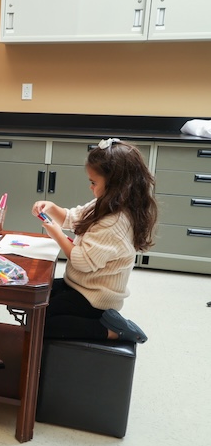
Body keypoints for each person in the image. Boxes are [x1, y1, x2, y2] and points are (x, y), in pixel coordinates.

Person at [31, 138, 157, 343]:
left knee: (43, 323)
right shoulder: (104, 203)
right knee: (37, 300)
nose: (90, 187)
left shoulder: (115, 222)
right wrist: (52, 208)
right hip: (80, 285)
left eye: (93, 182)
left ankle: (111, 331)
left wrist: (57, 235)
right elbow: (72, 217)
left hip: (96, 299)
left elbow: (81, 261)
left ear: (116, 185)